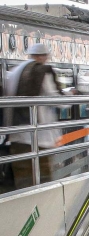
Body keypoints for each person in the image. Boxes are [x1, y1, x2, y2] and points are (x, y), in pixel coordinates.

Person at [7, 42, 64, 189]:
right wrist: (71, 97)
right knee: (41, 181)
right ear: (42, 56)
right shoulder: (42, 71)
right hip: (39, 138)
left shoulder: (13, 72)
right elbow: (57, 99)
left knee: (23, 181)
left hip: (15, 136)